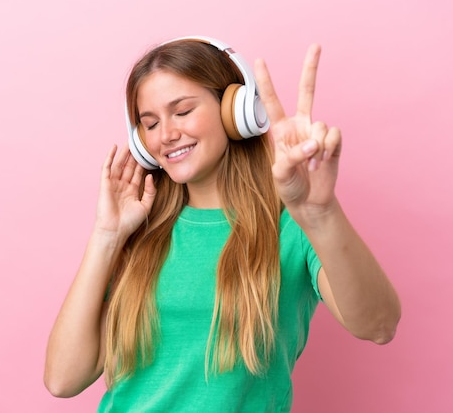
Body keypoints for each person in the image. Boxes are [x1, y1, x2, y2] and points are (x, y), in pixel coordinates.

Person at [44, 35, 401, 412]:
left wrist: (321, 213)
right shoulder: (139, 231)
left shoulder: (294, 225)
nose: (166, 135)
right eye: (149, 123)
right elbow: (62, 379)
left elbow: (379, 325)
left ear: (236, 110)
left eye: (182, 112)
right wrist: (107, 236)